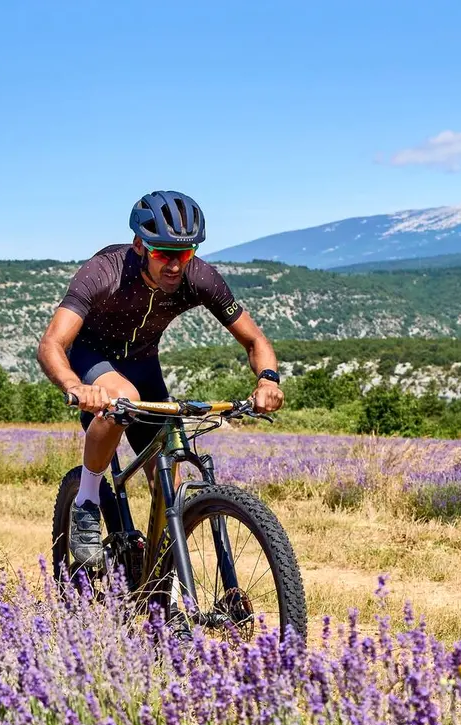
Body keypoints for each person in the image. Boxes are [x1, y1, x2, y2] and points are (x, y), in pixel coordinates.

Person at [36, 190, 283, 571]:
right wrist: (75, 386)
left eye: (184, 254)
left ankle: (157, 583)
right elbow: (53, 342)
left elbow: (254, 340)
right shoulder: (103, 272)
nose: (174, 265)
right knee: (124, 399)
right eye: (163, 253)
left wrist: (268, 380)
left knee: (168, 483)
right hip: (91, 357)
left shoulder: (200, 277)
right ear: (139, 245)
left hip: (143, 363)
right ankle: (86, 501)